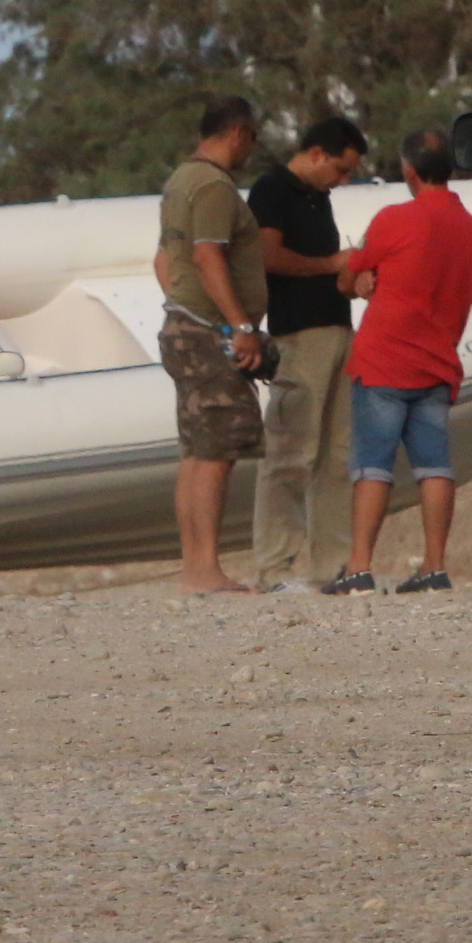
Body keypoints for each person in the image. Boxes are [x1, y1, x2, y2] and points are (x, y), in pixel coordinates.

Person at [320, 126, 472, 595]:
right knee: (434, 465)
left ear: (409, 170)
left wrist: (363, 283)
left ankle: (359, 567)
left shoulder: (393, 219)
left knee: (373, 465)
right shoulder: (471, 228)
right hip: (437, 360)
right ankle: (434, 566)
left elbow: (346, 279)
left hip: (385, 359)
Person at [155, 95, 271, 595]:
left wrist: (181, 305)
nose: (251, 149)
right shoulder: (214, 186)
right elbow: (207, 256)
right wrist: (239, 325)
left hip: (184, 325)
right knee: (217, 449)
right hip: (208, 332)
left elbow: (164, 260)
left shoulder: (179, 181)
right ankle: (205, 569)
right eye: (252, 138)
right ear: (238, 133)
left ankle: (195, 566)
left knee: (196, 449)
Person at [246, 115, 367, 591]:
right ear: (317, 154)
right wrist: (330, 264)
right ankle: (274, 566)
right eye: (341, 169)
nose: (344, 180)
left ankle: (332, 565)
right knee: (290, 453)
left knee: (337, 454)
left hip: (338, 327)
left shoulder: (320, 197)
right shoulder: (272, 190)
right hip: (297, 334)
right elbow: (267, 256)